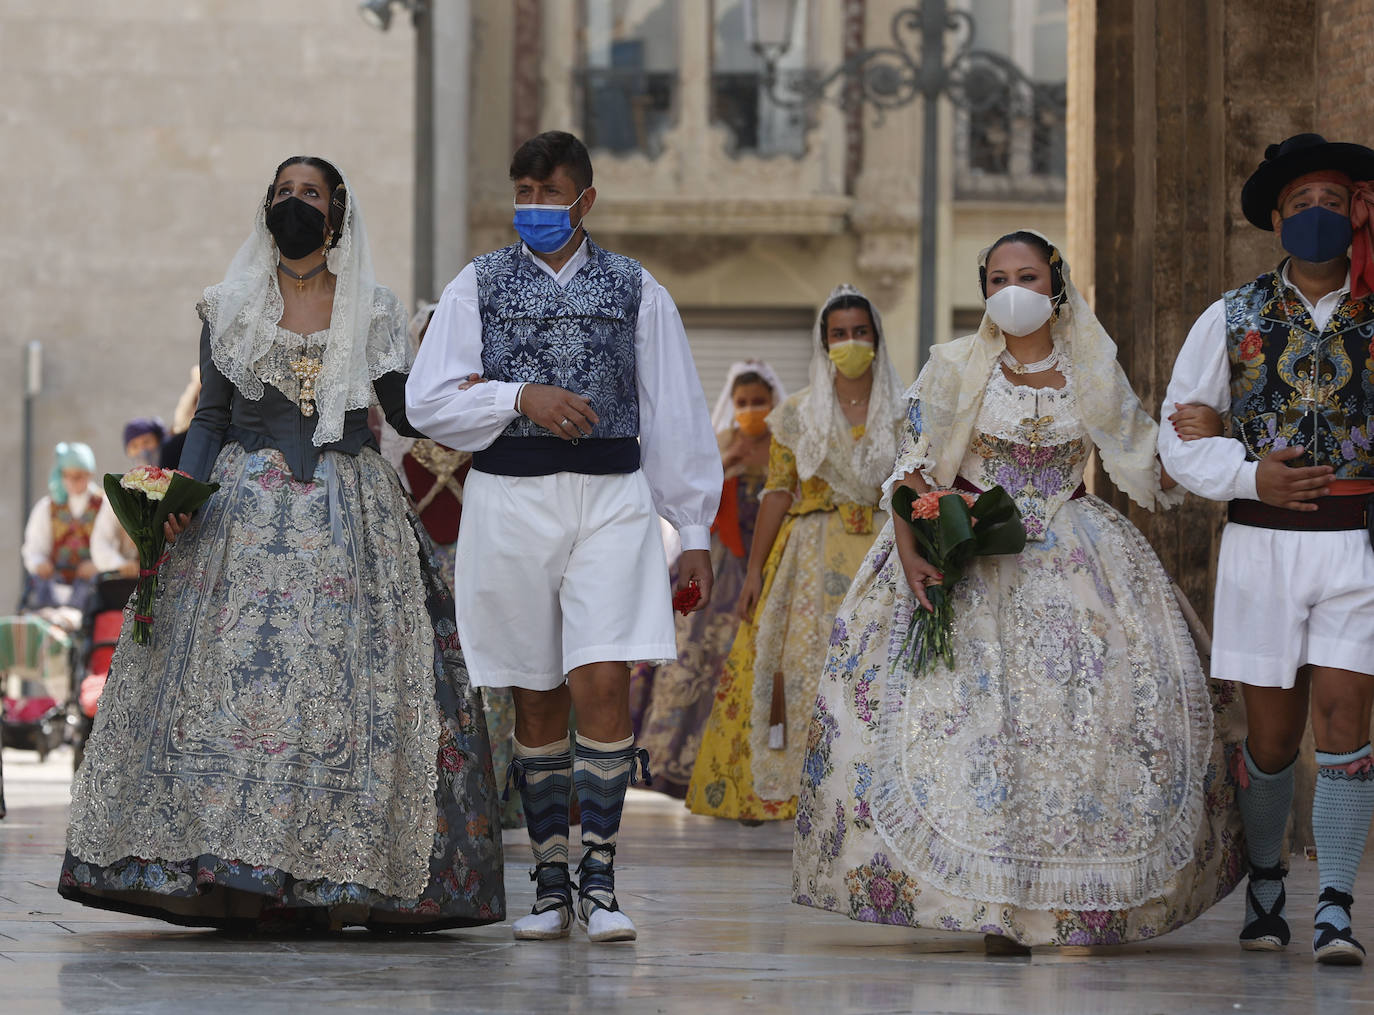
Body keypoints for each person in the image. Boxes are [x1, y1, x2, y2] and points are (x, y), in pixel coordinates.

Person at [58, 155, 505, 932]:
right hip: (242, 515)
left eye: (312, 193)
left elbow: (404, 412)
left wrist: (486, 401)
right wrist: (181, 502)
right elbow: (210, 419)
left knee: (337, 693)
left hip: (350, 515)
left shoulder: (372, 310)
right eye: (285, 192)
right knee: (240, 697)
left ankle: (328, 880)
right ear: (267, 206)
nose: (295, 203)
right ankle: (240, 878)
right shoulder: (229, 308)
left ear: (336, 215)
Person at [792, 231, 1245, 950]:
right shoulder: (953, 367)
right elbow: (909, 473)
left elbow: (1147, 458)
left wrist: (1201, 435)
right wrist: (913, 557)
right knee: (982, 733)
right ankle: (994, 904)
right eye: (998, 276)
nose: (1012, 288)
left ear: (1055, 283)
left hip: (1079, 553)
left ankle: (1070, 905)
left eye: (1027, 275)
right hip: (973, 555)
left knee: (1093, 723)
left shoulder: (1093, 370)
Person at [406, 131, 722, 943]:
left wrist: (692, 526)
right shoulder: (477, 284)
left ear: (586, 198)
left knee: (603, 678)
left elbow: (674, 410)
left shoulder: (636, 287)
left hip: (612, 495)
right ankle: (550, 881)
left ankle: (602, 879)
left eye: (550, 191)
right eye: (524, 190)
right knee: (534, 686)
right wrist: (520, 397)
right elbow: (428, 402)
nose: (534, 206)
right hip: (510, 495)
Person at [1159, 134, 1374, 966]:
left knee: (1345, 719)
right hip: (1262, 547)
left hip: (1357, 547)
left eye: (1333, 201)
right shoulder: (1231, 315)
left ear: (1356, 212)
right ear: (1275, 220)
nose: (1315, 216)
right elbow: (1180, 437)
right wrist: (1250, 473)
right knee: (1275, 736)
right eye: (1300, 205)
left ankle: (1335, 907)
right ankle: (1266, 884)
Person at [686, 286, 904, 823]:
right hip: (809, 559)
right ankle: (810, 790)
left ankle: (879, 792)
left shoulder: (905, 411)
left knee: (880, 670)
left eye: (860, 333)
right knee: (804, 670)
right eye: (838, 335)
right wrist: (756, 573)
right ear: (823, 341)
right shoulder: (796, 414)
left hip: (883, 554)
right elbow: (778, 492)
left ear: (876, 337)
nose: (850, 343)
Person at [381, 301, 523, 830]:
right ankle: (436, 787)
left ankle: (497, 790)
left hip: (487, 559)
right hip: (423, 563)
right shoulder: (404, 416)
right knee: (433, 673)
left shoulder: (495, 407)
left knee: (495, 675)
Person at [628, 361, 787, 798]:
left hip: (769, 562)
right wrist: (728, 463)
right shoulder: (720, 445)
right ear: (732, 406)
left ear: (773, 403)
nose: (752, 410)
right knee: (694, 657)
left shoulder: (785, 447)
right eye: (743, 403)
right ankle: (672, 761)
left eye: (759, 402)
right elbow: (691, 499)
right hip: (717, 559)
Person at [22, 442, 101, 611]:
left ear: (89, 474)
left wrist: (98, 566)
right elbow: (33, 548)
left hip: (92, 589)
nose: (72, 481)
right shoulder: (47, 507)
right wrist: (39, 563)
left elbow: (115, 547)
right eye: (67, 475)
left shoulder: (105, 505)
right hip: (52, 588)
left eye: (78, 476)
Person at [91, 418, 169, 578]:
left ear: (159, 443)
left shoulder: (172, 484)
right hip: (130, 581)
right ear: (128, 451)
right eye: (134, 446)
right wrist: (120, 564)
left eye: (147, 442)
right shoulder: (120, 491)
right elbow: (100, 543)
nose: (142, 449)